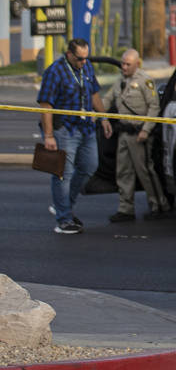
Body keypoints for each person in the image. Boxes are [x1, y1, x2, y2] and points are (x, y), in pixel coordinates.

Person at [37, 38, 112, 234]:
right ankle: (63, 219)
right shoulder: (55, 72)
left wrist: (104, 118)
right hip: (65, 129)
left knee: (90, 166)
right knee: (63, 173)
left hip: (86, 127)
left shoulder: (86, 68)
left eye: (86, 58)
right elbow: (46, 105)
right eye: (79, 59)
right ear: (69, 54)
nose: (83, 62)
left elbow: (94, 93)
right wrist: (49, 135)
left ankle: (63, 205)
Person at [104, 49, 170, 222]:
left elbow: (154, 107)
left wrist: (146, 130)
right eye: (122, 63)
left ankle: (158, 204)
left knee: (145, 171)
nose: (124, 67)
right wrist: (95, 113)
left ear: (137, 64)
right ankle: (126, 209)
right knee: (123, 172)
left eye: (128, 64)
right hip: (123, 132)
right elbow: (107, 100)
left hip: (139, 133)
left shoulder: (145, 81)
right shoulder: (119, 82)